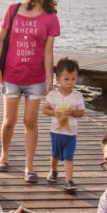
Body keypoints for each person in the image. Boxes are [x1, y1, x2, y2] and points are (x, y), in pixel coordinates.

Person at [0, 0, 60, 184]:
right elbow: (0, 40)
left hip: (36, 78)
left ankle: (29, 166)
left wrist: (50, 78)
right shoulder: (13, 9)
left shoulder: (50, 17)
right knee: (9, 121)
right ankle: (5, 155)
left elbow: (48, 51)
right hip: (11, 76)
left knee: (30, 121)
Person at [43, 57, 85, 191]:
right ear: (58, 79)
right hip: (56, 131)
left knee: (68, 157)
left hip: (71, 133)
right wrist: (54, 112)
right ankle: (53, 170)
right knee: (55, 154)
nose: (70, 82)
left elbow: (81, 113)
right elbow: (45, 109)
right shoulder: (52, 94)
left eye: (73, 79)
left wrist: (72, 112)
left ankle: (69, 180)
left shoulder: (77, 96)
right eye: (66, 79)